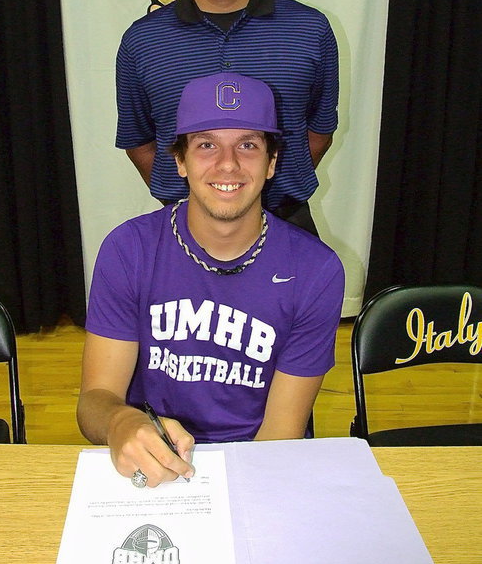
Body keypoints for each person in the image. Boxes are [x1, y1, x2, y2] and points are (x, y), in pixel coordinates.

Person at [79, 73, 344, 487]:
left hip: (261, 461)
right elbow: (95, 400)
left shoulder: (315, 270)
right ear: (179, 160)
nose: (228, 164)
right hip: (155, 454)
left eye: (248, 145)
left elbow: (281, 433)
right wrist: (119, 422)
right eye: (206, 144)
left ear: (272, 162)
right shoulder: (128, 250)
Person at [116, 0, 338, 234]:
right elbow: (140, 142)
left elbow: (319, 132)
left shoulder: (310, 30)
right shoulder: (142, 41)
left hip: (287, 222)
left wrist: (262, 189)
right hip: (183, 228)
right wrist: (206, 199)